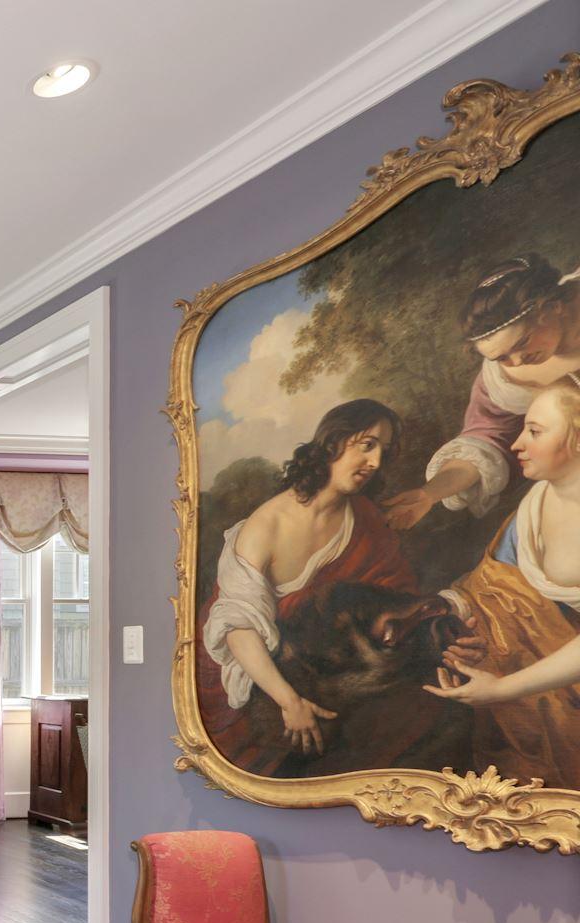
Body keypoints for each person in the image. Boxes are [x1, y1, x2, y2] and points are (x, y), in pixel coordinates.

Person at [198, 399, 451, 772]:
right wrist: (290, 702)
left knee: (423, 713)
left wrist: (437, 622)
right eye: (367, 445)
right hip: (263, 673)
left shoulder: (363, 516)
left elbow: (395, 594)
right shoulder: (265, 526)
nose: (376, 463)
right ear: (333, 441)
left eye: (383, 450)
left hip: (334, 663)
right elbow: (239, 628)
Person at [426, 384, 580, 786]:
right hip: (545, 677)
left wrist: (502, 688)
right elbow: (492, 584)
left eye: (534, 431)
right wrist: (449, 616)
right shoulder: (532, 507)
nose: (516, 443)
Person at [384, 256, 580, 529]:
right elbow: (486, 444)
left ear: (552, 307)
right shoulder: (503, 381)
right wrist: (430, 494)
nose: (518, 361)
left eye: (522, 342)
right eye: (501, 357)